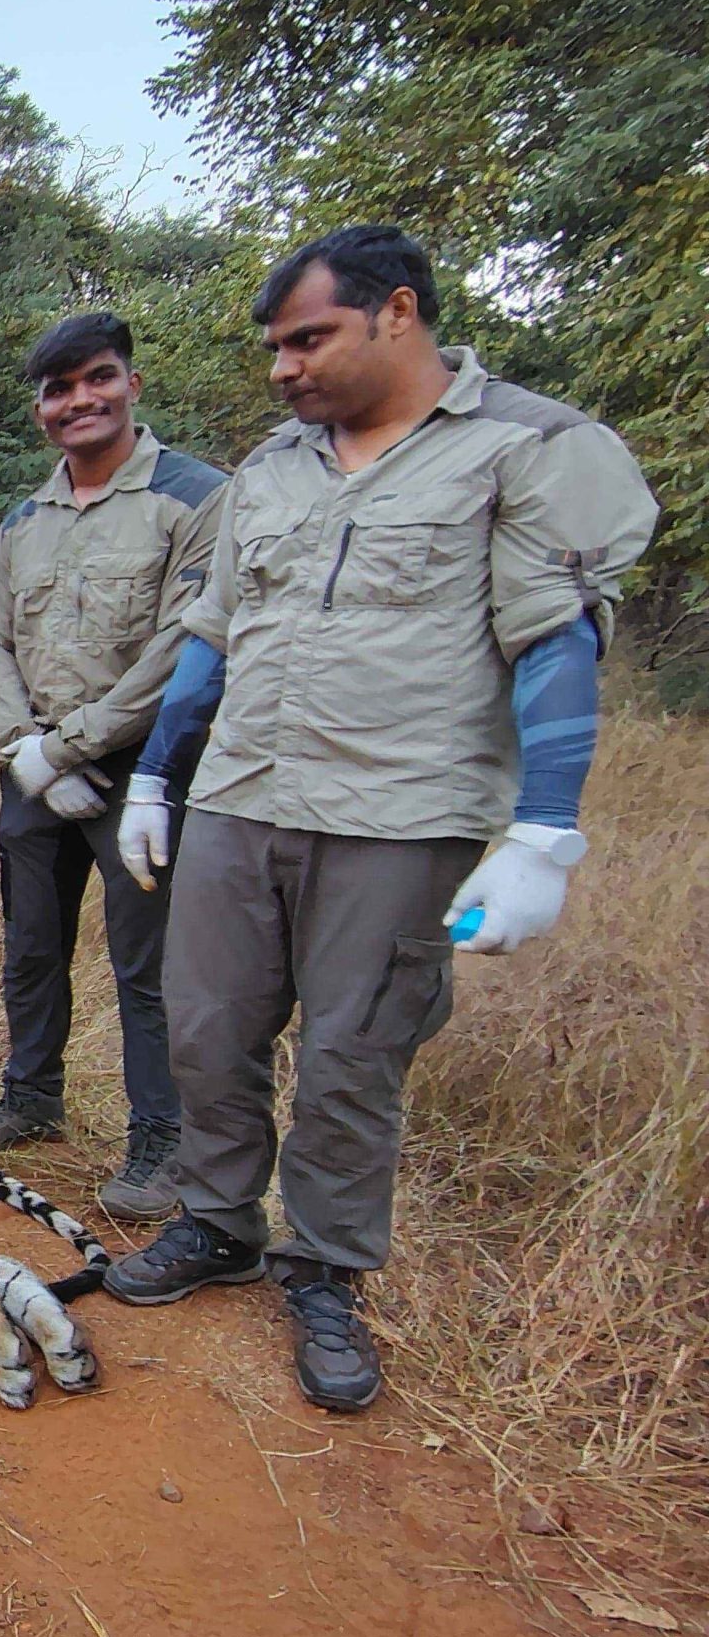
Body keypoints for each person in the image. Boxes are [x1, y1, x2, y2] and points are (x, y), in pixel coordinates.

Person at [102, 225, 658, 1413]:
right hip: (240, 797)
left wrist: (543, 832)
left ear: (395, 312)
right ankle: (215, 1222)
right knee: (205, 1027)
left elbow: (551, 642)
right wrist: (156, 775)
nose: (284, 367)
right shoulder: (271, 473)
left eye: (307, 338)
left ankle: (323, 1266)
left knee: (355, 1055)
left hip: (400, 818)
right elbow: (211, 640)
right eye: (274, 347)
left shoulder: (528, 448)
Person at [0, 315, 228, 1224]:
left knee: (149, 965)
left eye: (96, 380)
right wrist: (21, 750)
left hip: (143, 773)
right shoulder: (26, 520)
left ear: (131, 385)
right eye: (58, 389)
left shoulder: (196, 499)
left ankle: (162, 1139)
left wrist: (68, 748)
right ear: (40, 409)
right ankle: (31, 1097)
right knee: (32, 946)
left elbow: (183, 646)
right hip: (31, 772)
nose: (79, 402)